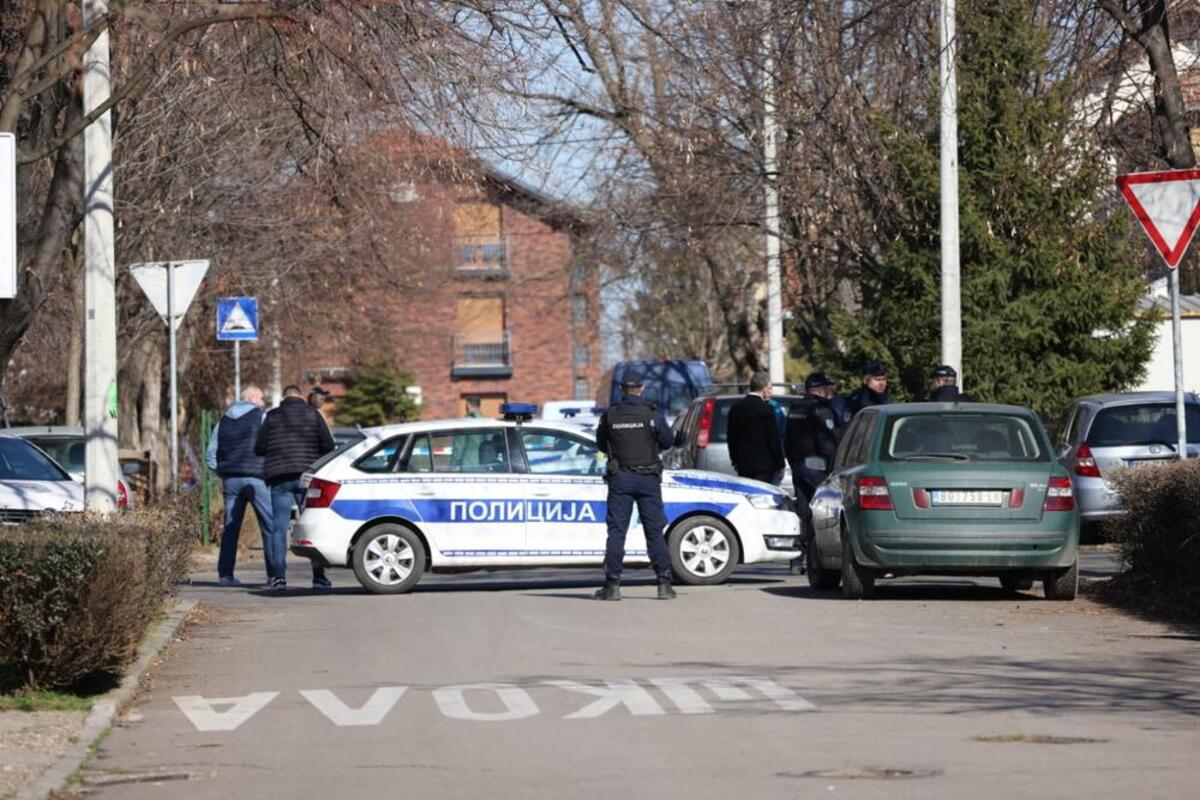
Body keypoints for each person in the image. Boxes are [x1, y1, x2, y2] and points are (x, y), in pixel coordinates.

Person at [594, 375, 676, 601]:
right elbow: (668, 441)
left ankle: (612, 585)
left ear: (622, 389)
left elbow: (601, 444)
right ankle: (664, 584)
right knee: (654, 531)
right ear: (642, 388)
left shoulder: (610, 415)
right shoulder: (652, 415)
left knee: (617, 531)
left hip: (620, 478)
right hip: (648, 478)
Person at [255, 384, 336, 590]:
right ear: (301, 396)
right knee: (312, 525)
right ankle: (319, 577)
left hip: (279, 477)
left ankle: (278, 577)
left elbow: (259, 447)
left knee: (279, 528)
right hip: (307, 476)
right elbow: (329, 445)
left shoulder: (272, 416)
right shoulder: (313, 414)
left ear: (284, 397)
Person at [205, 385, 273, 587]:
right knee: (269, 526)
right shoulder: (261, 418)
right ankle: (274, 575)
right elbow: (270, 448)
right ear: (251, 398)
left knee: (230, 529)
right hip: (257, 479)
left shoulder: (223, 421)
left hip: (231, 480)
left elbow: (211, 453)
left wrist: (222, 472)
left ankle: (225, 576)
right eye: (261, 398)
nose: (263, 403)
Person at [785, 372, 847, 574]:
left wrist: (793, 462)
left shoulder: (795, 407)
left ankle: (797, 560)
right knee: (823, 512)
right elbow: (829, 442)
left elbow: (787, 439)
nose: (831, 390)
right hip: (818, 468)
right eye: (828, 386)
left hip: (798, 466)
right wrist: (835, 466)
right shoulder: (821, 409)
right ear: (821, 388)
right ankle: (819, 559)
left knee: (802, 512)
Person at [726, 372, 785, 484]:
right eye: (769, 388)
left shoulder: (736, 408)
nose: (770, 392)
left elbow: (731, 438)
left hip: (743, 464)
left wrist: (735, 460)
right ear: (764, 389)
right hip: (764, 466)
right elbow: (773, 440)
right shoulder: (767, 409)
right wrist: (780, 464)